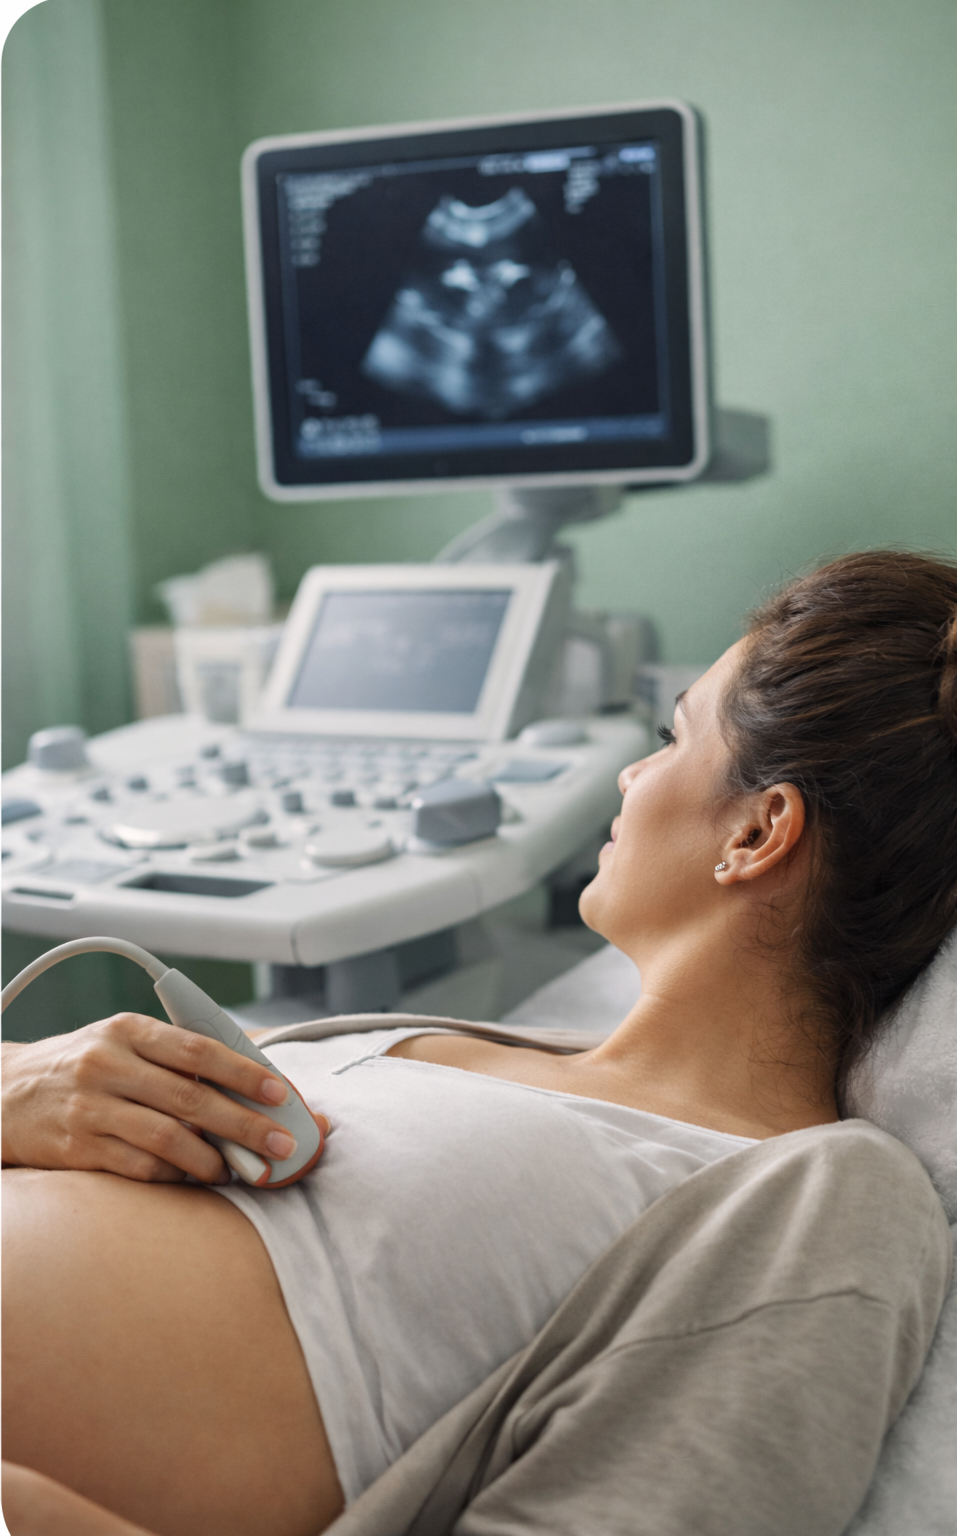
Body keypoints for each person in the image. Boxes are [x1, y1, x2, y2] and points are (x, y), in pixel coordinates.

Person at [3, 550, 956, 1536]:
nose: (630, 776)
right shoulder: (448, 1044)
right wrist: (21, 1085)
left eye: (670, 739)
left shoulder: (828, 1197)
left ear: (757, 834)